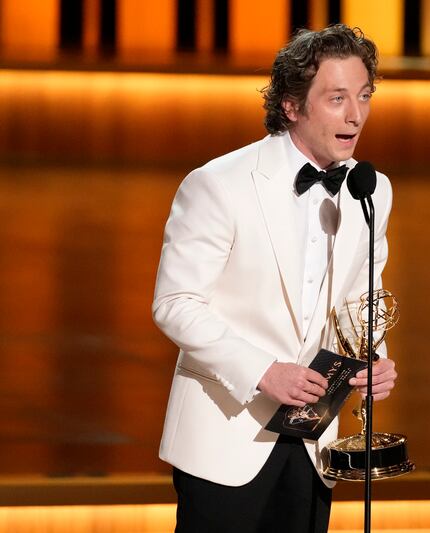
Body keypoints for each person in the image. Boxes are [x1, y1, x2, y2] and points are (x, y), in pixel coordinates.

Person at [152, 24, 397, 533]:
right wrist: (264, 370)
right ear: (291, 105)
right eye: (336, 98)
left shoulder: (372, 189)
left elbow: (364, 297)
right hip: (227, 438)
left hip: (315, 444)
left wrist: (373, 357)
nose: (356, 115)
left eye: (364, 96)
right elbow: (175, 302)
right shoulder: (218, 185)